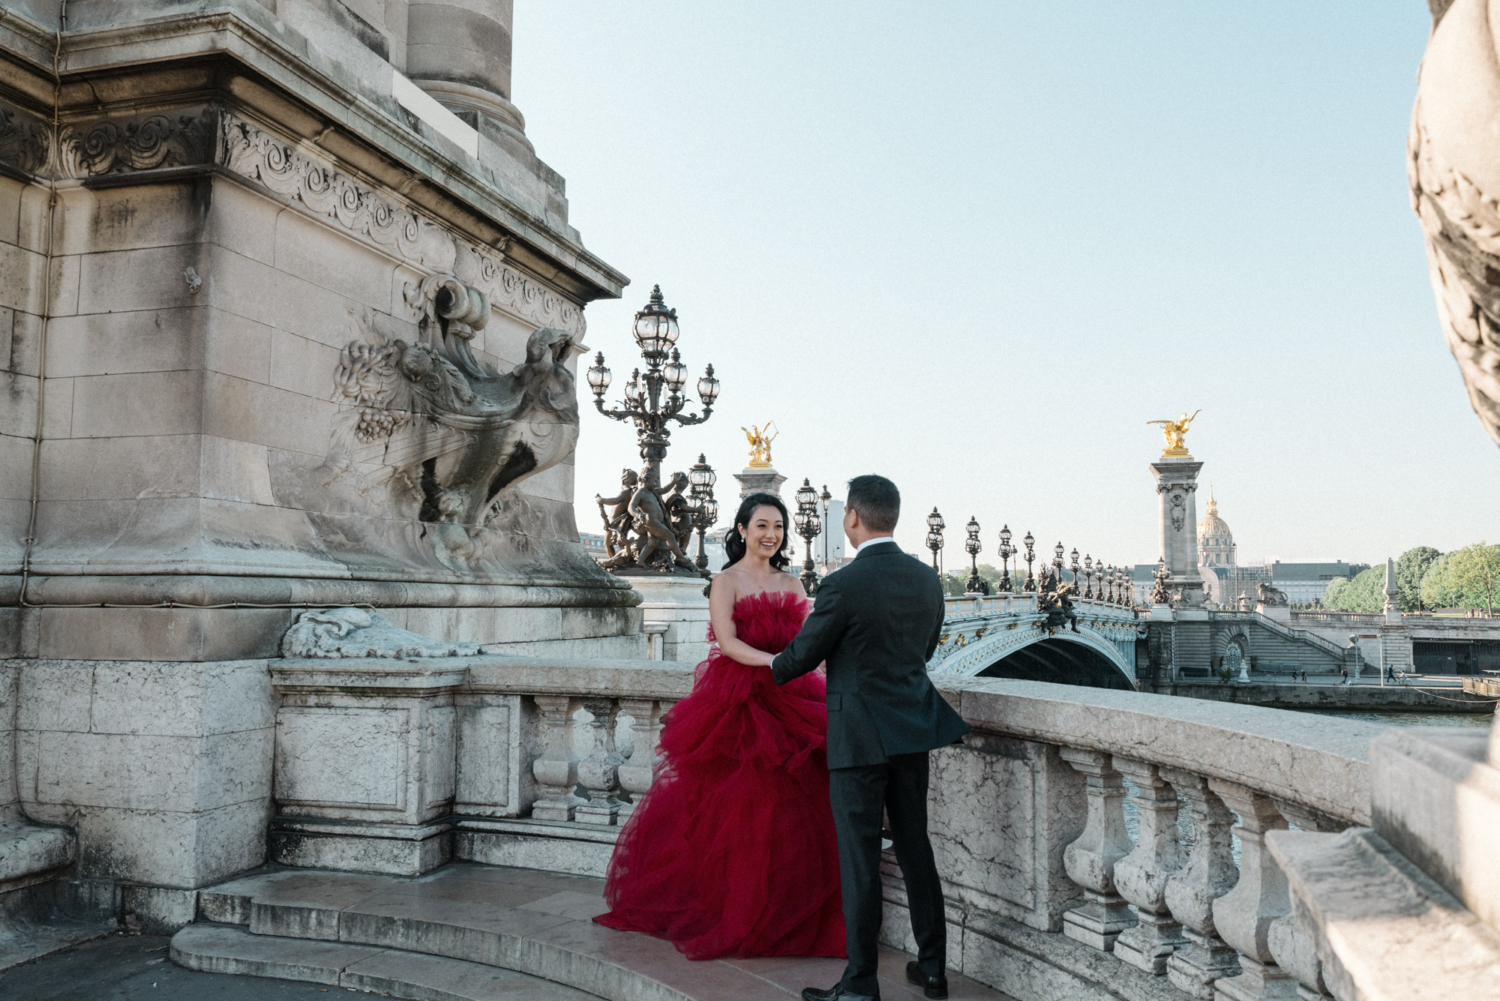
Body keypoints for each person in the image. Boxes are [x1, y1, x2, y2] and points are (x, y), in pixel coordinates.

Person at [593, 492, 844, 959]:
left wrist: (813, 670)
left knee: (793, 815)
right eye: (762, 525)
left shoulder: (793, 584)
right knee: (739, 813)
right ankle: (737, 910)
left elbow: (810, 644)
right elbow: (728, 644)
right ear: (743, 529)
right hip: (740, 703)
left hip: (791, 698)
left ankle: (782, 911)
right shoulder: (724, 581)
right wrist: (778, 665)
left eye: (779, 527)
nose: (771, 535)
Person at [756, 474, 972, 1001]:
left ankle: (859, 985)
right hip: (911, 730)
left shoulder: (843, 584)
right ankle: (934, 969)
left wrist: (762, 661)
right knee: (915, 848)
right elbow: (923, 651)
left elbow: (800, 658)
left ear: (851, 517)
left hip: (857, 737)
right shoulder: (927, 579)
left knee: (859, 859)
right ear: (892, 517)